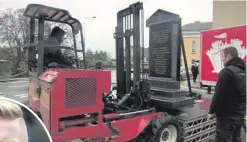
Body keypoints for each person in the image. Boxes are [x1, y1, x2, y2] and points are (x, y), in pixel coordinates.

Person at [207, 46, 246, 142]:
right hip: (240, 115)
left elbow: (218, 93)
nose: (221, 59)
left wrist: (211, 111)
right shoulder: (244, 72)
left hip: (226, 117)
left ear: (228, 57)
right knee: (236, 139)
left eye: (222, 56)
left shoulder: (226, 72)